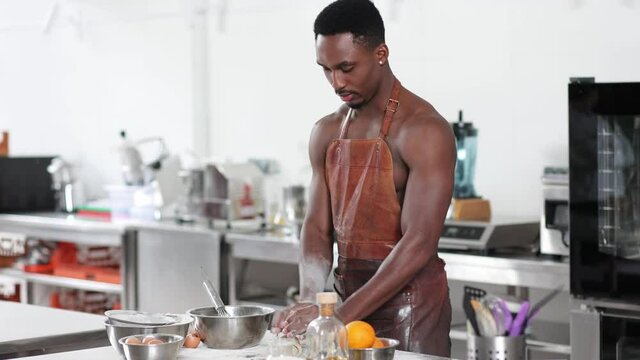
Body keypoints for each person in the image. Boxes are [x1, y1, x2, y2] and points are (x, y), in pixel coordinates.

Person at [272, 0, 455, 356]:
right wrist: (312, 302)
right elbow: (316, 227)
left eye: (346, 67)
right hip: (345, 310)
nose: (336, 82)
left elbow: (419, 242)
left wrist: (339, 315)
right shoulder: (325, 132)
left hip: (410, 313)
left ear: (381, 53)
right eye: (326, 70)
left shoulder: (425, 130)